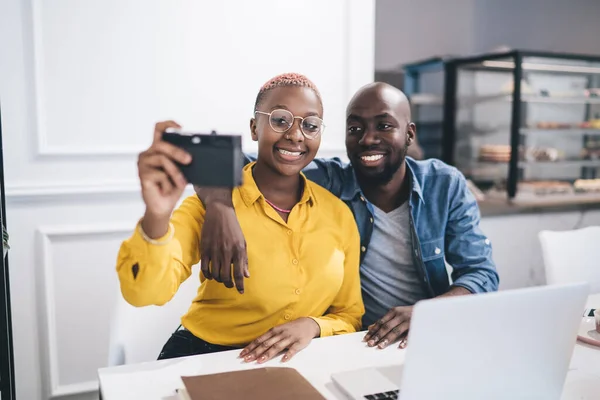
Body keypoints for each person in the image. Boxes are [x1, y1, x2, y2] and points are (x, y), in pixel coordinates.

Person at [196, 82, 499, 350]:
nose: (367, 139)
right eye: (355, 129)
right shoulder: (328, 179)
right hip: (354, 342)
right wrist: (220, 208)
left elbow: (481, 274)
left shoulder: (444, 184)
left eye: (384, 126)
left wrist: (425, 312)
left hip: (427, 335)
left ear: (409, 134)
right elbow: (212, 157)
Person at [116, 73, 364, 363]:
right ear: (254, 128)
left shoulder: (338, 214)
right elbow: (144, 294)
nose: (296, 135)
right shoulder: (207, 207)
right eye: (280, 120)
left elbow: (349, 315)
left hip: (296, 362)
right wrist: (157, 215)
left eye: (310, 125)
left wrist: (314, 325)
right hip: (205, 357)